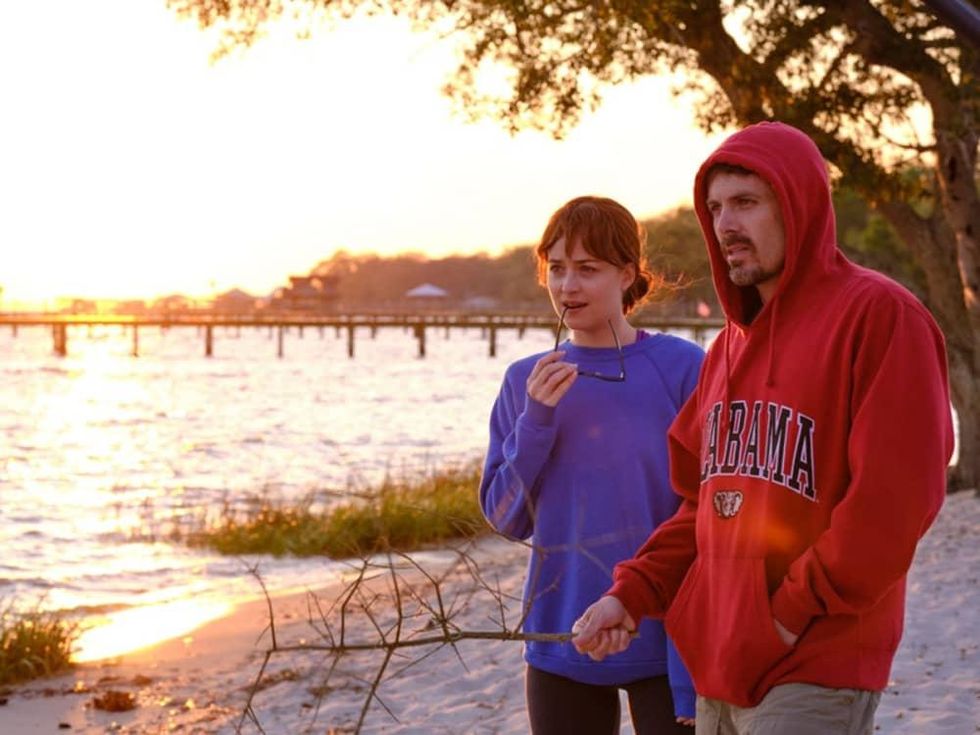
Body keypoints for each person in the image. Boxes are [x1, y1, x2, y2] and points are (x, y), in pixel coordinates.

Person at [571, 122, 956, 735]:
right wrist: (633, 593)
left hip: (815, 659)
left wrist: (787, 613)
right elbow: (701, 506)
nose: (725, 225)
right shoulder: (728, 348)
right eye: (716, 207)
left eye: (747, 202)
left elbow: (896, 501)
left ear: (798, 203)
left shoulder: (878, 317)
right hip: (719, 667)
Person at [479, 195, 704, 733]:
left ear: (627, 275)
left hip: (669, 634)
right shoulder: (524, 380)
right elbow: (506, 517)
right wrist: (536, 421)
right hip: (562, 632)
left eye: (587, 269)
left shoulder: (684, 367)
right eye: (556, 269)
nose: (567, 287)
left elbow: (708, 506)